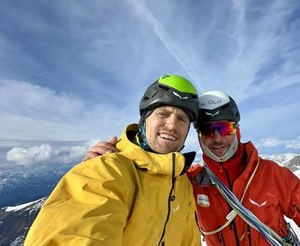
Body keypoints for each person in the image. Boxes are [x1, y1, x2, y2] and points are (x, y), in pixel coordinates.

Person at [85, 91, 300, 245]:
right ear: (198, 137)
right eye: (208, 131)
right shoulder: (191, 181)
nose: (217, 139)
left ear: (236, 130)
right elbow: (150, 191)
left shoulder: (274, 176)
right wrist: (116, 161)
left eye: (224, 128)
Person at [25, 74, 202, 246]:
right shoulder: (106, 169)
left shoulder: (183, 184)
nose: (172, 125)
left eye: (182, 119)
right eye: (163, 114)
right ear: (144, 120)